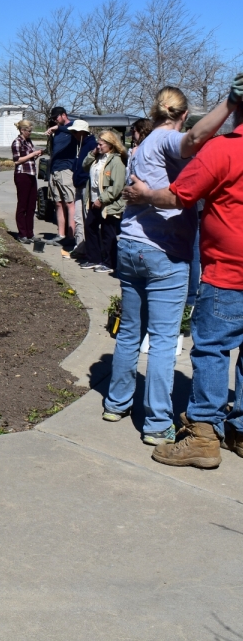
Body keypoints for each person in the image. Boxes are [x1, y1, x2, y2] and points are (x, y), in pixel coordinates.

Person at [122, 73, 243, 468]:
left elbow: (180, 194)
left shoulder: (223, 150)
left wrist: (143, 194)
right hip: (170, 253)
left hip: (225, 272)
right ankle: (238, 428)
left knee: (208, 349)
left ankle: (203, 434)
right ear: (183, 112)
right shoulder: (185, 143)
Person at [80, 131, 127, 274]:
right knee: (90, 228)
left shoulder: (116, 162)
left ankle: (110, 262)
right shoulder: (97, 158)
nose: (98, 147)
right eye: (97, 144)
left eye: (101, 144)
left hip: (108, 204)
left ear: (110, 145)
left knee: (108, 233)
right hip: (94, 200)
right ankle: (94, 258)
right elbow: (84, 166)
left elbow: (117, 186)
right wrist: (93, 153)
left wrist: (102, 199)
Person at [45, 107, 78, 245]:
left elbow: (73, 132)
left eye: (56, 117)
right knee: (58, 203)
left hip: (66, 169)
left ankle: (71, 237)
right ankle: (61, 234)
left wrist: (57, 128)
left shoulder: (73, 126)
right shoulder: (57, 131)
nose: (55, 120)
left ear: (64, 115)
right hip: (55, 169)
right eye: (53, 118)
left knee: (69, 203)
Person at [68, 119, 97, 259]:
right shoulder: (79, 145)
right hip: (78, 185)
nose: (73, 134)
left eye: (75, 132)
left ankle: (90, 249)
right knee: (78, 217)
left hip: (86, 185)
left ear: (82, 132)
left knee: (86, 217)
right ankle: (80, 247)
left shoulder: (91, 144)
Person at [11, 120, 43, 244]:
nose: (30, 133)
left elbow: (29, 158)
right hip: (22, 175)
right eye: (29, 131)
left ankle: (30, 233)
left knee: (31, 205)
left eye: (31, 131)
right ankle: (22, 233)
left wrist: (37, 154)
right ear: (22, 130)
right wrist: (33, 154)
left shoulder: (28, 141)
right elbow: (17, 160)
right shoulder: (17, 142)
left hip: (31, 174)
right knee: (22, 205)